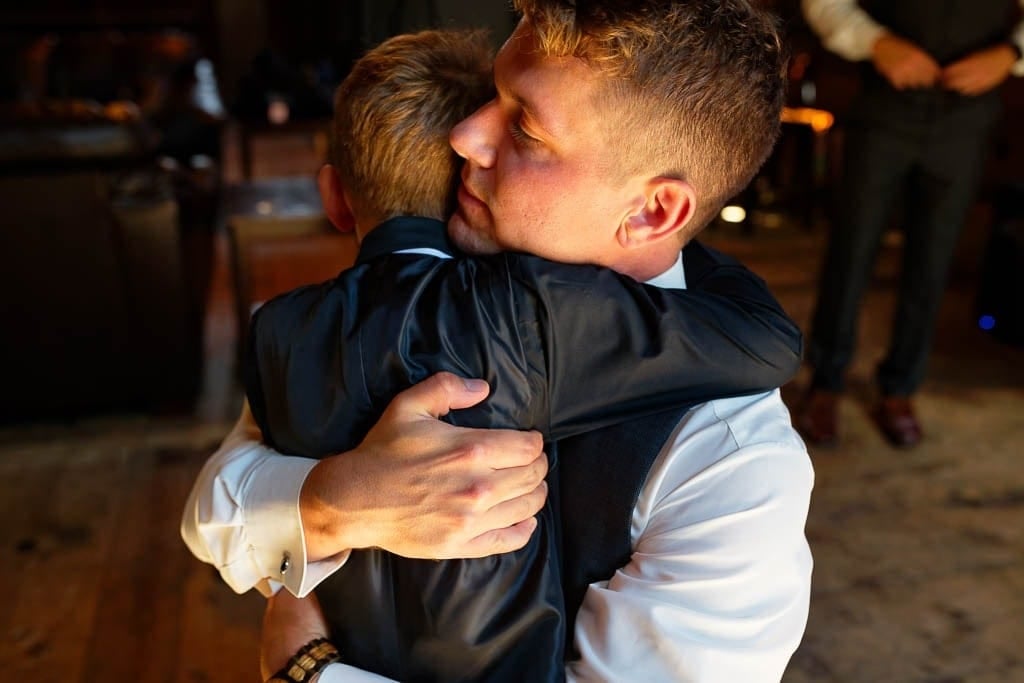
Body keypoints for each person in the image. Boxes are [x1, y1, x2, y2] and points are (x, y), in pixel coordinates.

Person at [183, 1, 814, 680]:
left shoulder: (734, 464)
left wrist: (310, 669)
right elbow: (220, 501)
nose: (463, 135)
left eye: (525, 126)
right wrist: (331, 503)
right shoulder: (449, 265)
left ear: (653, 209)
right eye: (493, 95)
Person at [797, 0, 1024, 447]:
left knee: (934, 258)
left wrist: (1011, 54)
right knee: (851, 248)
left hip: (967, 119)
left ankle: (901, 388)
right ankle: (825, 381)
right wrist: (877, 42)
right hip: (883, 109)